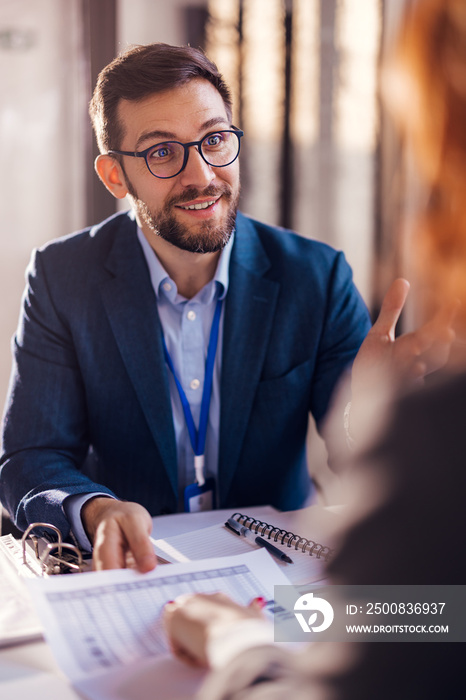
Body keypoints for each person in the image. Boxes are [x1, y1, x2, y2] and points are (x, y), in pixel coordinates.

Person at [0, 42, 453, 573]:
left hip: (279, 570)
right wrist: (93, 510)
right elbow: (31, 457)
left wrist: (381, 410)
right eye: (162, 152)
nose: (201, 176)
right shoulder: (63, 276)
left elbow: (360, 463)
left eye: (214, 140)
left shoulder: (316, 276)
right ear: (115, 176)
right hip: (133, 569)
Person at [162, 1, 466, 697]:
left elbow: (411, 629)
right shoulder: (65, 273)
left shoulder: (446, 421)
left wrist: (243, 635)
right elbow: (436, 619)